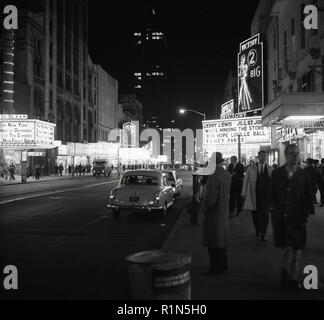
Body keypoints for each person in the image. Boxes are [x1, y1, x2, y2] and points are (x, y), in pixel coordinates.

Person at [269, 144, 314, 290]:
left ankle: (293, 279)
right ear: (286, 155)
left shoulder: (304, 175)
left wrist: (305, 212)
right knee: (288, 249)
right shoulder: (277, 174)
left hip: (298, 219)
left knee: (298, 251)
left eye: (297, 154)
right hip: (282, 218)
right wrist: (274, 210)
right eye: (292, 154)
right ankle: (286, 271)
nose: (296, 157)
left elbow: (309, 196)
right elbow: (272, 194)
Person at [201, 152, 232, 275]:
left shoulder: (213, 175)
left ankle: (215, 268)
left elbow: (211, 198)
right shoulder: (226, 174)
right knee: (221, 242)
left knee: (213, 243)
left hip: (214, 214)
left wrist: (204, 208)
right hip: (223, 211)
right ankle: (223, 265)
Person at [242, 150, 272, 241]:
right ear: (258, 157)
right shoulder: (251, 168)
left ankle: (263, 232)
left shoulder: (270, 169)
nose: (263, 157)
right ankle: (258, 230)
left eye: (264, 155)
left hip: (266, 197)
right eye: (261, 155)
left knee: (265, 216)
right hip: (254, 195)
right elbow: (246, 181)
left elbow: (273, 183)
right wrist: (243, 193)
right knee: (255, 215)